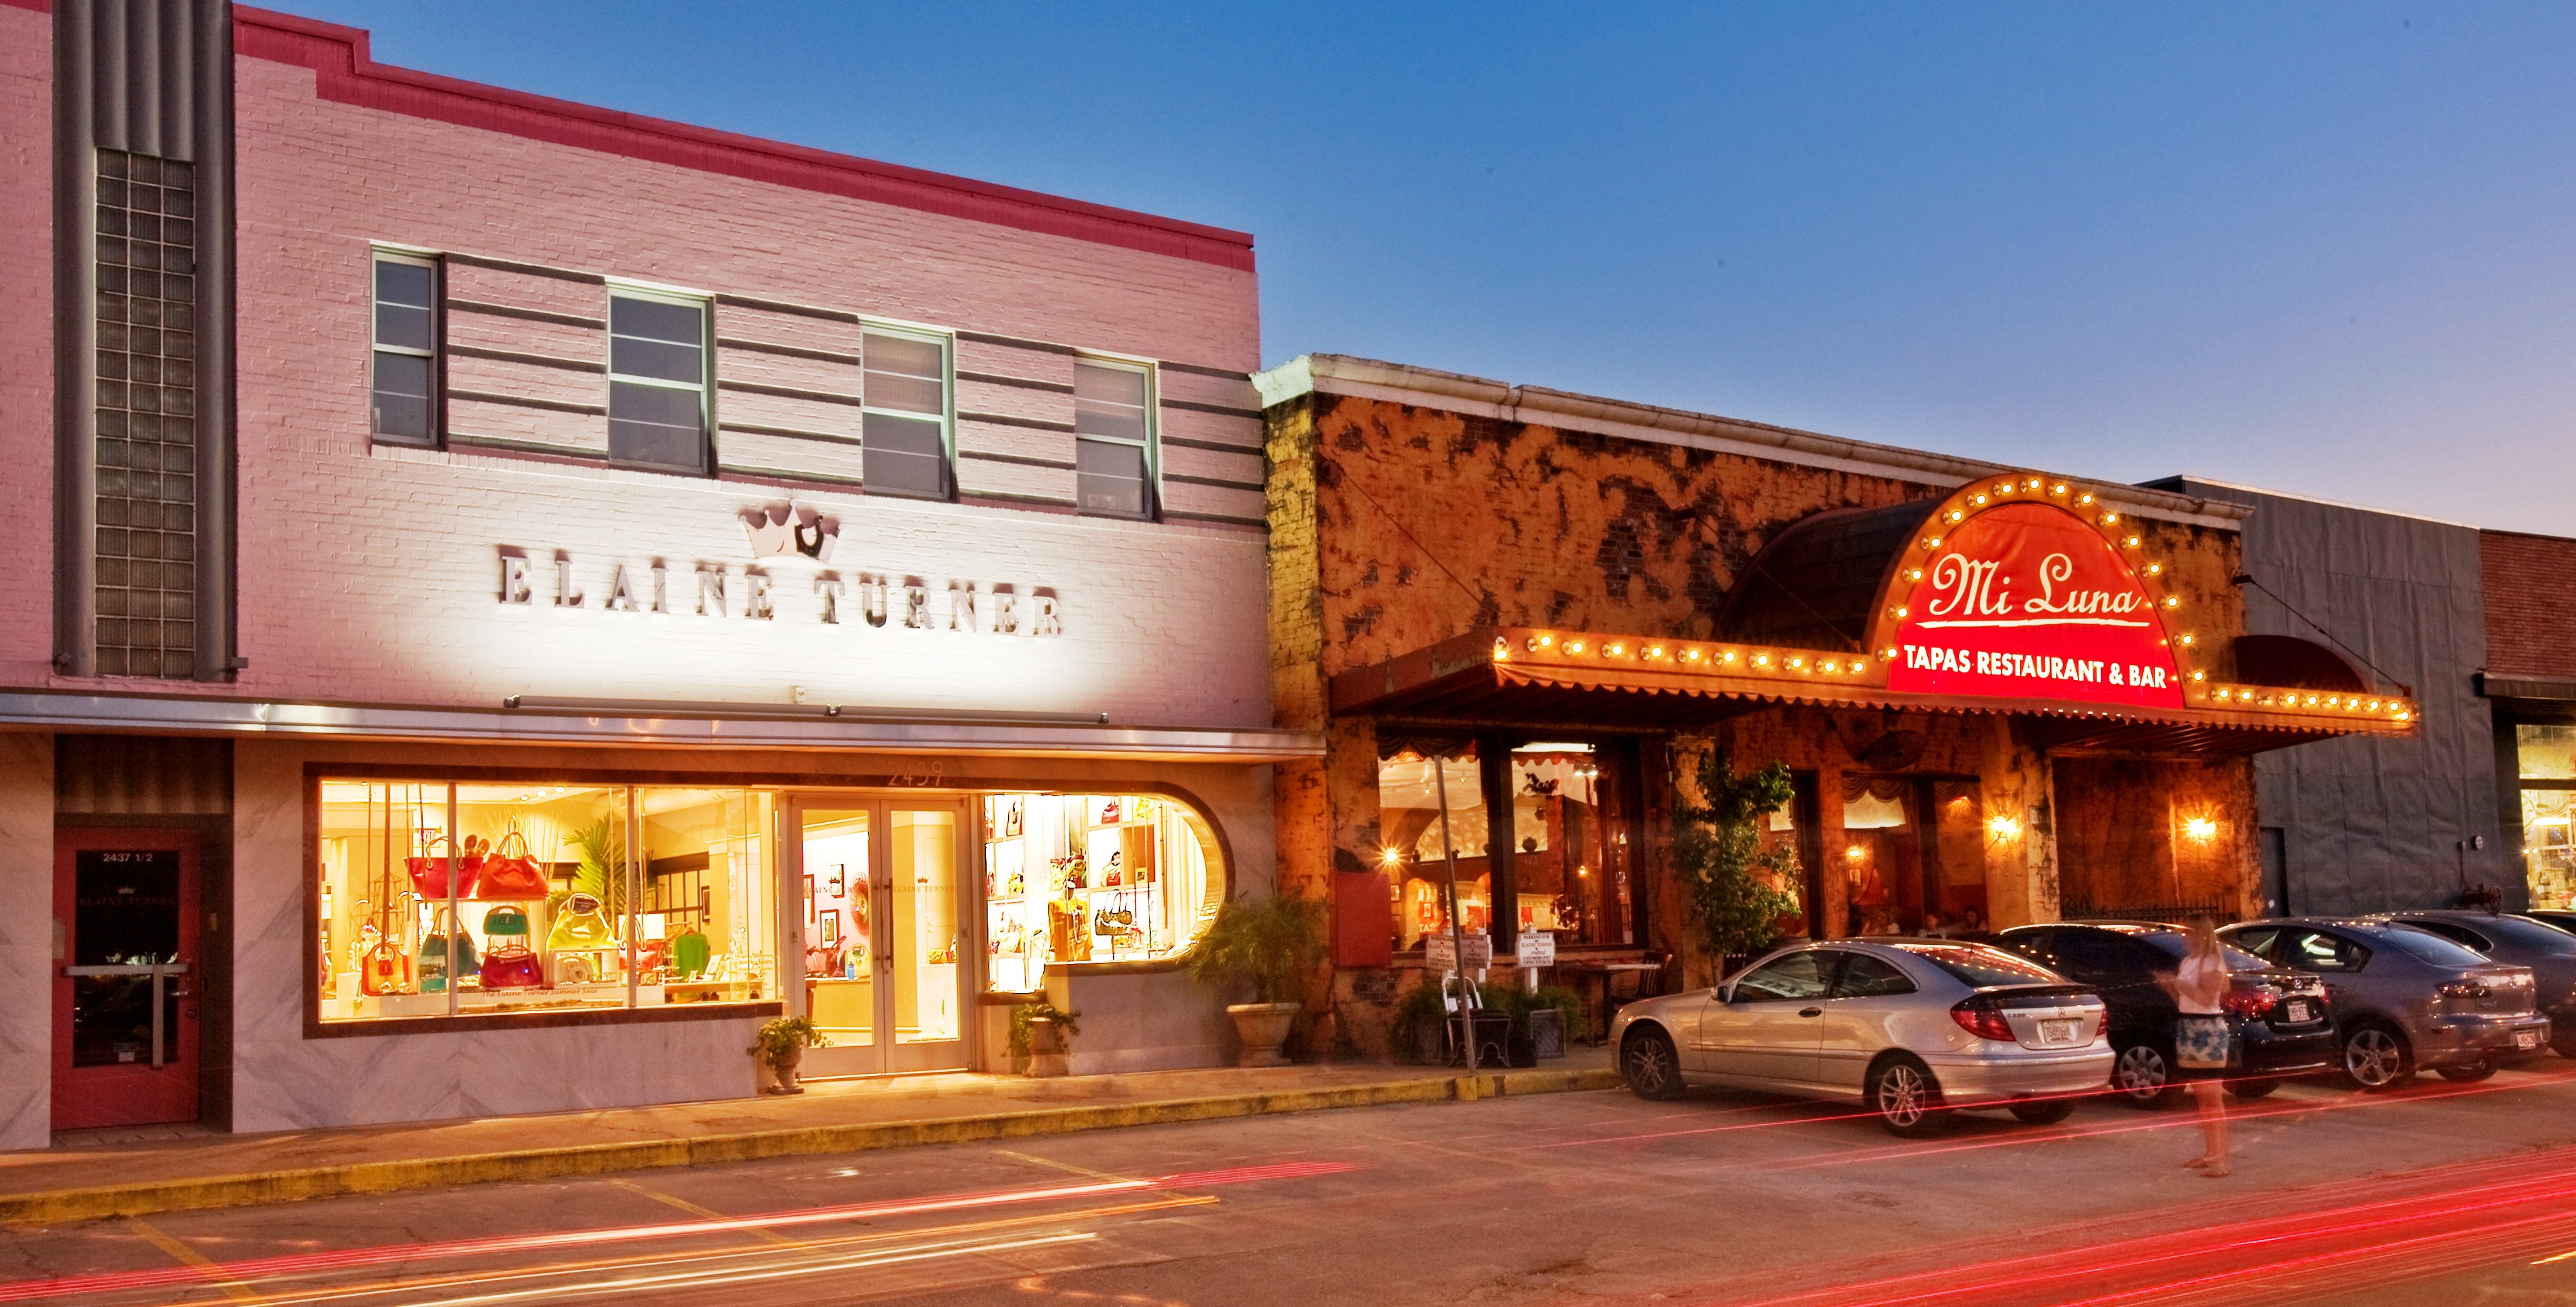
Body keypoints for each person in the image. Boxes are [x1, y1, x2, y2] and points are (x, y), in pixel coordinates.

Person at [2155, 916, 2233, 1178]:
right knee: (2201, 1096)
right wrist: (2170, 986)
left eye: (2188, 933)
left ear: (2200, 935)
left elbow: (2206, 998)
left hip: (2208, 1030)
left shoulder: (2214, 964)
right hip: (2188, 1026)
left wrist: (2182, 985)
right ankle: (2210, 1153)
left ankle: (2221, 1158)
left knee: (2212, 1096)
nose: (2184, 938)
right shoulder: (2187, 962)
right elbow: (2183, 1000)